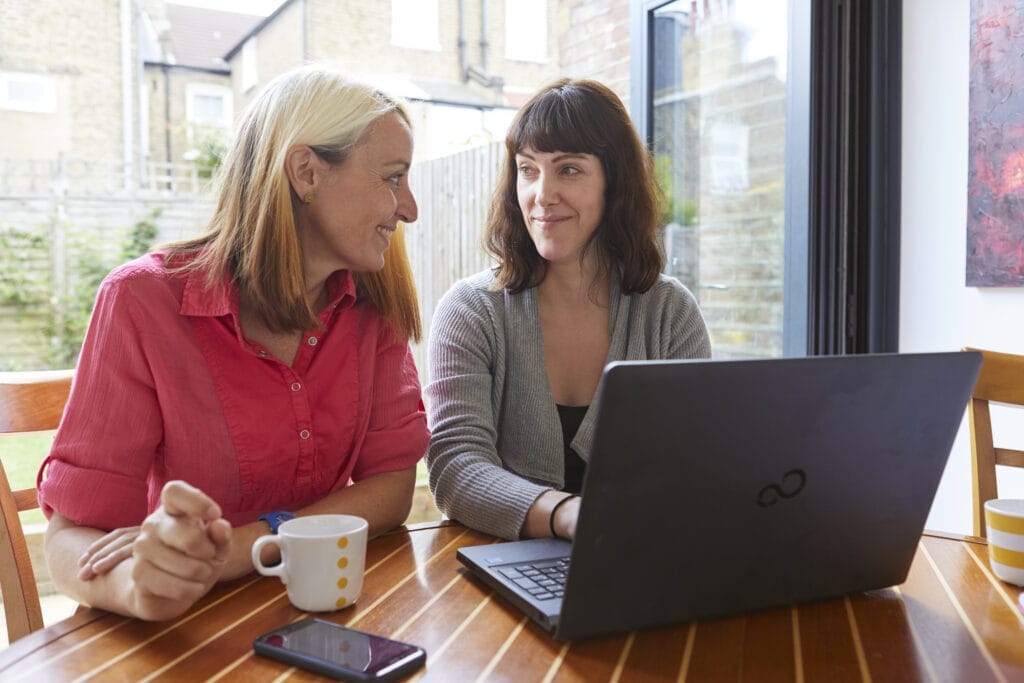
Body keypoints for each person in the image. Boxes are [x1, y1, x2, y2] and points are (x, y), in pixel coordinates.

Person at [37, 65, 429, 621]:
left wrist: (251, 545)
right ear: (306, 172)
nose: (409, 207)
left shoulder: (372, 305)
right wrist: (139, 587)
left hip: (325, 614)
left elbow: (390, 487)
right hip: (182, 631)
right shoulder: (141, 301)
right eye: (393, 177)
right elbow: (72, 536)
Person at [425, 78, 711, 542]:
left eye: (569, 170)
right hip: (497, 570)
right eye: (528, 169)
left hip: (637, 558)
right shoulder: (472, 310)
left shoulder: (670, 311)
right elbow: (455, 467)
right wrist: (565, 514)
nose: (542, 194)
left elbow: (694, 461)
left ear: (614, 182)